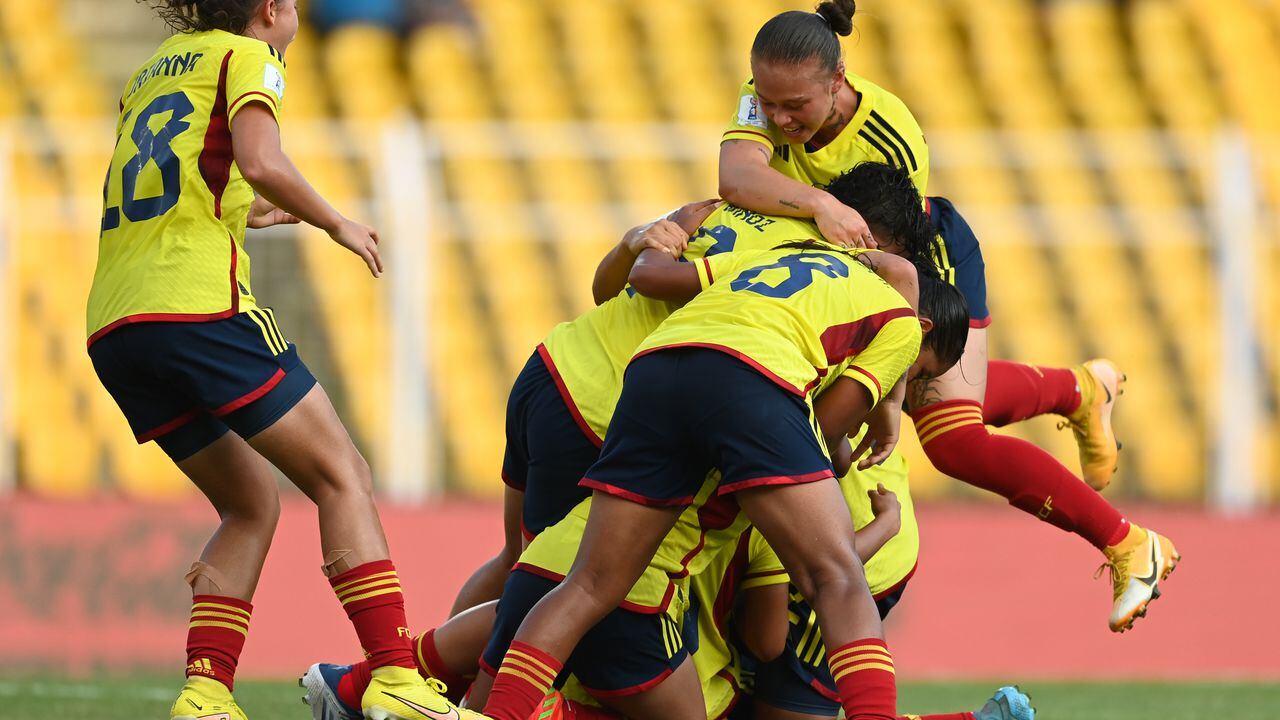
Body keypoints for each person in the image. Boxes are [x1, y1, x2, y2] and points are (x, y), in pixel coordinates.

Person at [717, 0, 1177, 632]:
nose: (777, 117)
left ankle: (1127, 541)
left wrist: (886, 390)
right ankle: (1079, 389)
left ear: (837, 79)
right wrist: (820, 204)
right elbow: (736, 175)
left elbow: (894, 270)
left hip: (921, 262)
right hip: (842, 258)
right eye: (767, 103)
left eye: (794, 105)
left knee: (951, 437)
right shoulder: (766, 96)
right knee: (940, 402)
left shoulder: (888, 133)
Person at [87, 2, 465, 719]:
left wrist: (248, 209)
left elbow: (168, 181)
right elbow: (260, 159)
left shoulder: (149, 75)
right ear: (269, 10)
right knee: (341, 473)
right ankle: (393, 677)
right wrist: (337, 222)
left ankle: (204, 696)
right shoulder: (246, 56)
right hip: (196, 304)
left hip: (116, 321)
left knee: (249, 504)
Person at [477, 225, 969, 720]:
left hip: (656, 364)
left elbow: (655, 280)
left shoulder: (781, 255)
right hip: (752, 378)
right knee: (836, 575)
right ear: (923, 327)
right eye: (921, 371)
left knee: (588, 585)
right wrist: (879, 414)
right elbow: (822, 430)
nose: (911, 381)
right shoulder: (901, 327)